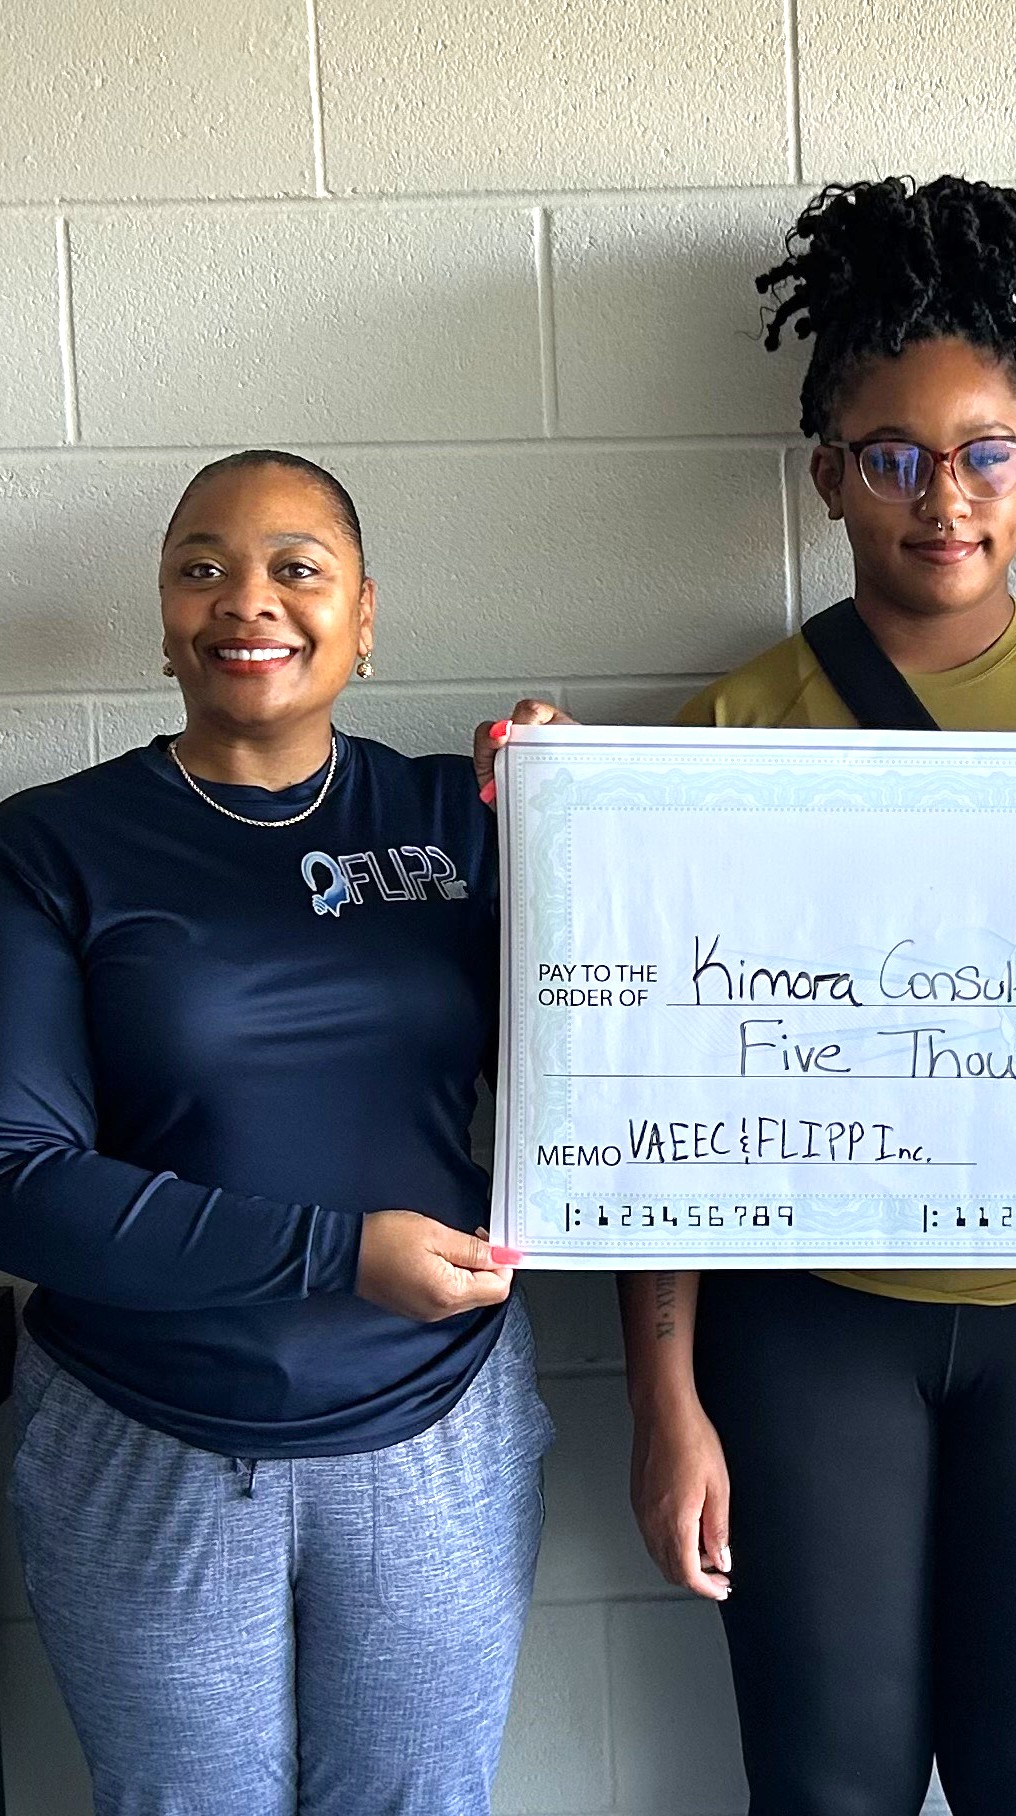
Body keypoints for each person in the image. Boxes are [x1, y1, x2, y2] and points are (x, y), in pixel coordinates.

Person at [482, 175, 1016, 1816]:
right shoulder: (726, 734)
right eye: (894, 458)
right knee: (824, 1785)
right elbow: (661, 1104)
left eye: (985, 453)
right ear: (829, 474)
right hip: (806, 1327)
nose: (943, 499)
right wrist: (664, 1399)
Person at [0, 451, 551, 1815]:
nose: (247, 599)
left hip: (438, 1424)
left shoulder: (463, 819)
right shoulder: (50, 849)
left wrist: (587, 811)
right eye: (203, 568)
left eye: (297, 568)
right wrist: (335, 1254)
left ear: (365, 616)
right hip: (146, 1439)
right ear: (165, 617)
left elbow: (637, 1041)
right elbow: (21, 1185)